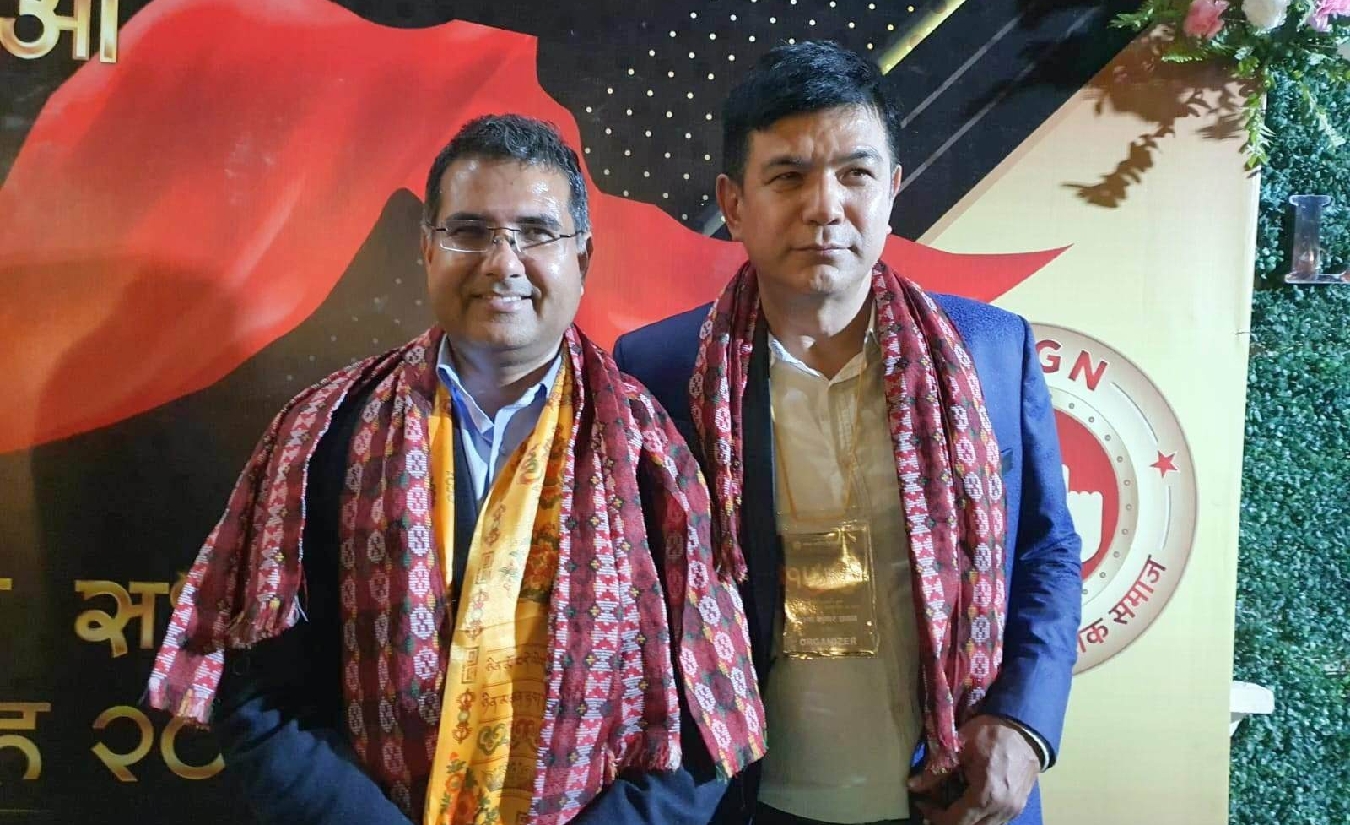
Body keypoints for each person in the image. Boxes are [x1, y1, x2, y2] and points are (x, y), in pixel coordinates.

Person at [149, 114, 765, 825]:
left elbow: (706, 722)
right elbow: (259, 695)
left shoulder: (651, 453)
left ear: (583, 256)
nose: (502, 263)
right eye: (470, 231)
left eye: (536, 233)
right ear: (427, 249)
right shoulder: (322, 435)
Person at [614, 42, 1081, 825]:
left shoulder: (990, 351)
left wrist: (1025, 723)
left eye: (855, 174)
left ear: (892, 189)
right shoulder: (660, 369)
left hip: (956, 792)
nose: (825, 206)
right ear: (734, 203)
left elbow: (1047, 548)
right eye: (788, 176)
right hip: (749, 797)